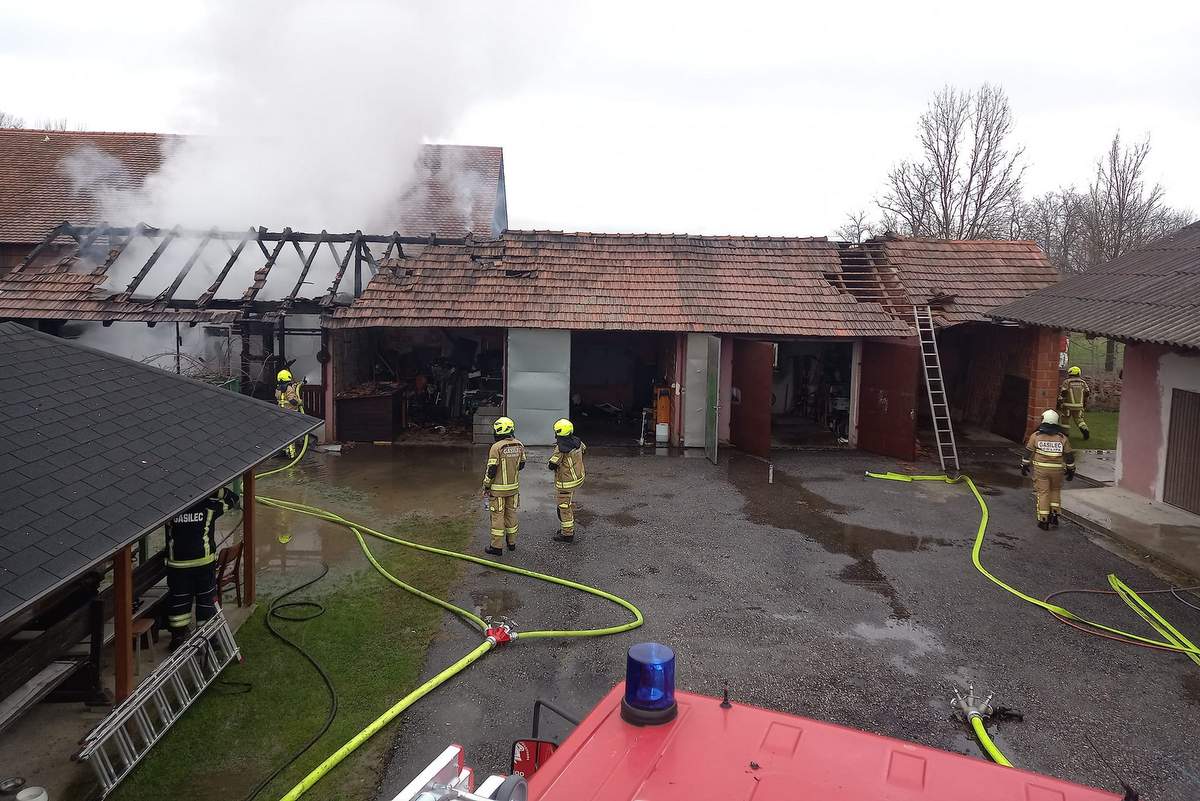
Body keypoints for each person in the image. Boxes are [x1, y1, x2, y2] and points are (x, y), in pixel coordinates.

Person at [165, 486, 240, 650]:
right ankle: (207, 638)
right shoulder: (209, 508)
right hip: (203, 563)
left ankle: (178, 637)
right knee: (205, 600)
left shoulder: (169, 509)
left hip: (178, 565)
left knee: (179, 600)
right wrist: (212, 490)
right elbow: (233, 498)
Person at [1021, 410, 1075, 530]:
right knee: (1055, 491)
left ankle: (1044, 520)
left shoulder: (1036, 436)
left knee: (1043, 493)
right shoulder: (1062, 438)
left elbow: (1028, 452)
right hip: (1057, 471)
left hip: (1041, 471)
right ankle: (1055, 514)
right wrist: (1071, 469)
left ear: (1043, 420)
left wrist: (1024, 465)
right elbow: (1069, 455)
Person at [482, 416, 525, 556]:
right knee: (511, 514)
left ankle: (496, 547)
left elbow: (492, 469)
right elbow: (522, 465)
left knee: (497, 517)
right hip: (513, 489)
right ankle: (511, 543)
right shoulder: (519, 445)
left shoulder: (496, 447)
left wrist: (486, 485)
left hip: (498, 490)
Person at [548, 418, 586, 543]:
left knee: (564, 507)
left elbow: (552, 464)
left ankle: (567, 534)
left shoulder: (560, 448)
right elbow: (584, 450)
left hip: (566, 483)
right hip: (578, 479)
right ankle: (566, 529)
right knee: (567, 503)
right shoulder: (578, 442)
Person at [275, 368, 305, 457]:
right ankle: (291, 454)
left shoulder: (278, 389)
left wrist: (298, 384)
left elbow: (281, 398)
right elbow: (292, 400)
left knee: (283, 434)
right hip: (291, 415)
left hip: (281, 414)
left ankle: (282, 452)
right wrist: (300, 402)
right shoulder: (289, 388)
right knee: (291, 435)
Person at [1058, 366, 1090, 440]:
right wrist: (1084, 402)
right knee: (1079, 419)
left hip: (1067, 405)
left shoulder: (1067, 382)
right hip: (1079, 405)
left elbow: (1064, 392)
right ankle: (1085, 429)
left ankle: (1065, 434)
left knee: (1065, 419)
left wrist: (1060, 401)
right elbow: (1087, 393)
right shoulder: (1083, 382)